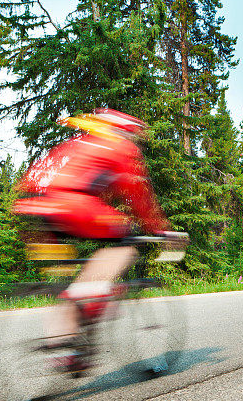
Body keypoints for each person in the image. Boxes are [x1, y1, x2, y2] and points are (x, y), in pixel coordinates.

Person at [13, 108, 176, 373]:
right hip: (74, 205)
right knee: (128, 241)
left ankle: (66, 341)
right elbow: (138, 196)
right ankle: (85, 309)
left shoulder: (79, 143)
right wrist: (159, 230)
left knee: (71, 281)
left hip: (35, 208)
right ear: (125, 130)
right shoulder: (120, 146)